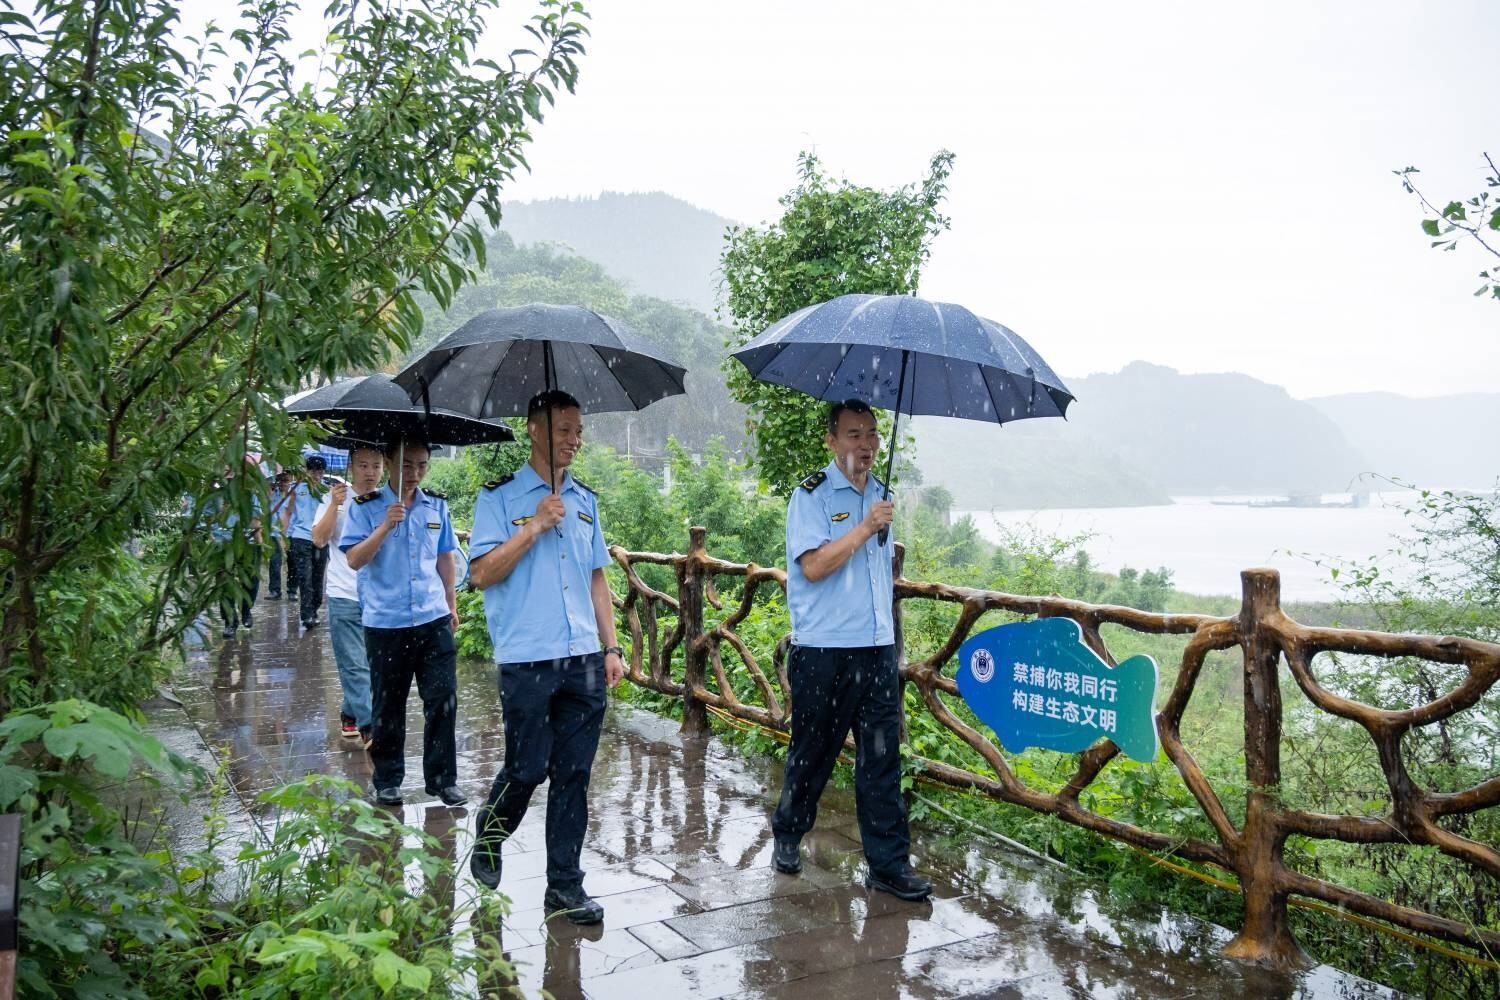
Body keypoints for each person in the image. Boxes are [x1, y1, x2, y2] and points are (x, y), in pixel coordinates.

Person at [467, 389, 624, 925]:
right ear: (533, 430)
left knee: (573, 774)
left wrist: (611, 646)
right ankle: (492, 831)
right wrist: (533, 526)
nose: (574, 440)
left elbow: (597, 578)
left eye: (579, 430)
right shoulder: (498, 498)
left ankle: (565, 886)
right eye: (563, 430)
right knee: (527, 768)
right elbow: (480, 574)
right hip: (527, 657)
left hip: (583, 658)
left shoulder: (586, 500)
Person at [770, 399, 932, 901]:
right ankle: (789, 834)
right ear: (832, 441)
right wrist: (863, 527)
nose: (866, 445)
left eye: (872, 434)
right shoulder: (811, 496)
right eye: (854, 434)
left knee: (882, 759)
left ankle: (888, 865)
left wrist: (873, 521)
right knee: (812, 752)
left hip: (877, 650)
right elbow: (814, 567)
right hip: (824, 649)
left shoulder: (881, 493)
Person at [340, 438, 464, 807]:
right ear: (389, 463)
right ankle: (388, 779)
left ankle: (442, 780)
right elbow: (354, 560)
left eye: (422, 465)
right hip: (386, 623)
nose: (415, 473)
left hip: (433, 618)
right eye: (407, 464)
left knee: (442, 699)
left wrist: (451, 604)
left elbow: (445, 557)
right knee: (388, 704)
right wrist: (383, 527)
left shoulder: (436, 505)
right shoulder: (365, 507)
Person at [314, 446, 384, 748]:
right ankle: (371, 727)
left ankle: (350, 712)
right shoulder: (335, 499)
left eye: (376, 466)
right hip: (344, 593)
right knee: (355, 664)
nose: (370, 472)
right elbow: (319, 539)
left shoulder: (386, 501)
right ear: (351, 467)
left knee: (373, 663)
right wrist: (334, 505)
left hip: (379, 596)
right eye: (363, 465)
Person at [283, 455, 330, 628]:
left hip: (321, 540)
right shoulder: (296, 489)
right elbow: (288, 512)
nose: (317, 475)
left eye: (320, 471)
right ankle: (307, 615)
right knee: (305, 578)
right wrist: (284, 536)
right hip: (300, 538)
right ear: (307, 471)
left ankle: (314, 609)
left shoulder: (328, 491)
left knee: (318, 578)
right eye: (313, 471)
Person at [266, 471, 292, 600]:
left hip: (291, 533)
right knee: (275, 562)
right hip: (274, 533)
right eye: (280, 480)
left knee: (292, 564)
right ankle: (275, 590)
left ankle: (292, 590)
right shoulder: (273, 495)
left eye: (286, 480)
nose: (282, 483)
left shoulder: (294, 495)